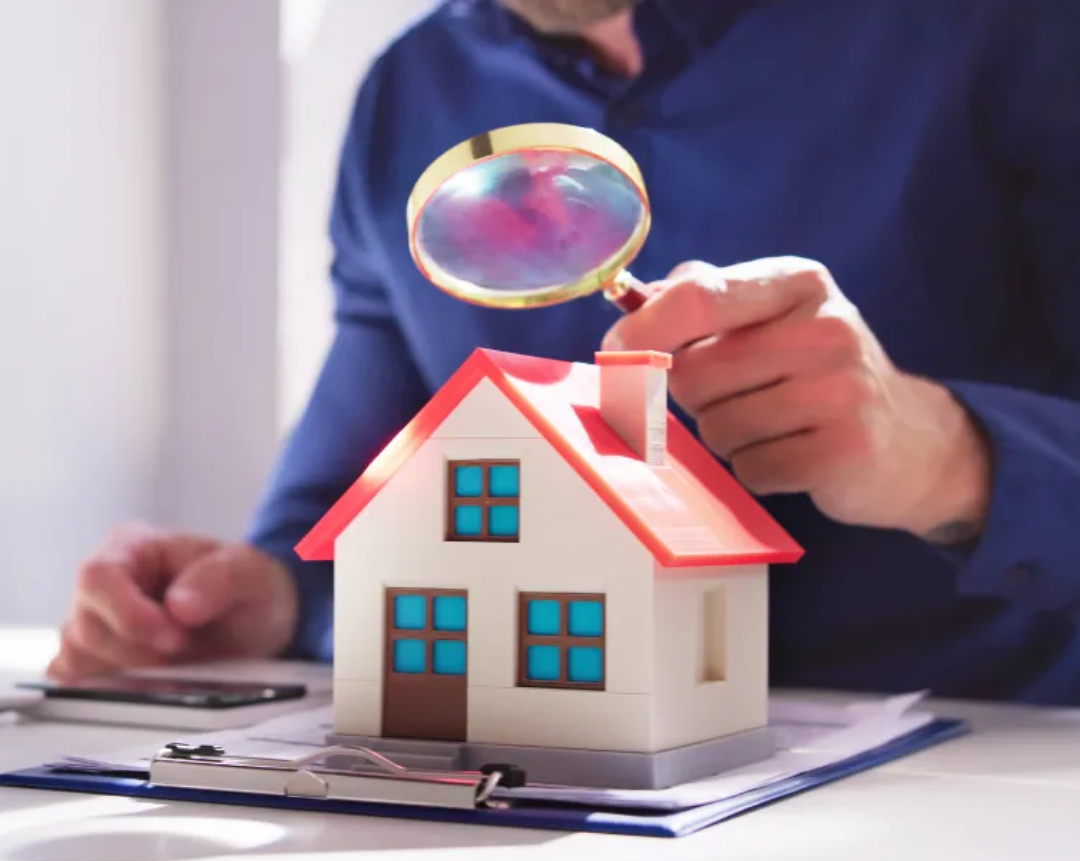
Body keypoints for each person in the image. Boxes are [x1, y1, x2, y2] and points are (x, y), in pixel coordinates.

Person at [49, 0, 1080, 705]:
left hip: (975, 790)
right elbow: (340, 519)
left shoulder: (1015, 30)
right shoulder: (414, 94)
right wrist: (259, 604)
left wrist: (949, 458)